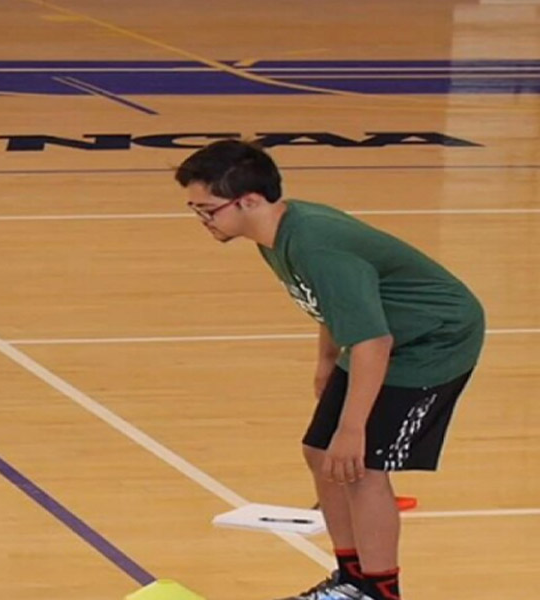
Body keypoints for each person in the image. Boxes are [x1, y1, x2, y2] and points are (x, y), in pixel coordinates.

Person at [174, 140, 484, 600]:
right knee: (320, 453)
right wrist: (326, 361)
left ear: (249, 201)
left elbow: (373, 342)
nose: (203, 220)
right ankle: (351, 580)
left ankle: (379, 591)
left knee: (361, 466)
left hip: (431, 341)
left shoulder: (316, 244)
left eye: (208, 209)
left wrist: (352, 428)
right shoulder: (276, 236)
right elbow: (334, 304)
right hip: (380, 336)